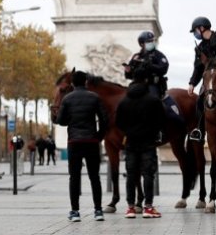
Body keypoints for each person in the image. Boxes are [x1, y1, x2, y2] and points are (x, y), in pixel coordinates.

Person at [55, 70, 108, 222]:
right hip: (91, 141)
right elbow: (104, 119)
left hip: (74, 142)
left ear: (72, 83)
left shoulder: (67, 99)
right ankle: (98, 210)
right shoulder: (95, 97)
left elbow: (61, 121)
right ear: (85, 82)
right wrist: (99, 136)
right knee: (94, 177)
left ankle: (75, 212)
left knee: (74, 177)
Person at [116, 68, 165, 219]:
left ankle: (130, 208)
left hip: (130, 143)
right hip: (148, 143)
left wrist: (129, 132)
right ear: (145, 80)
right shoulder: (153, 100)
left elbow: (119, 123)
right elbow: (161, 121)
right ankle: (148, 208)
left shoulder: (124, 101)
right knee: (148, 175)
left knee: (131, 175)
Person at [123, 30, 169, 99]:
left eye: (152, 41)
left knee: (153, 101)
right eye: (149, 41)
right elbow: (130, 76)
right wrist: (128, 71)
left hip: (152, 85)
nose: (152, 43)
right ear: (142, 44)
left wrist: (150, 66)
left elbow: (164, 68)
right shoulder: (136, 56)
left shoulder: (158, 55)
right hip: (137, 85)